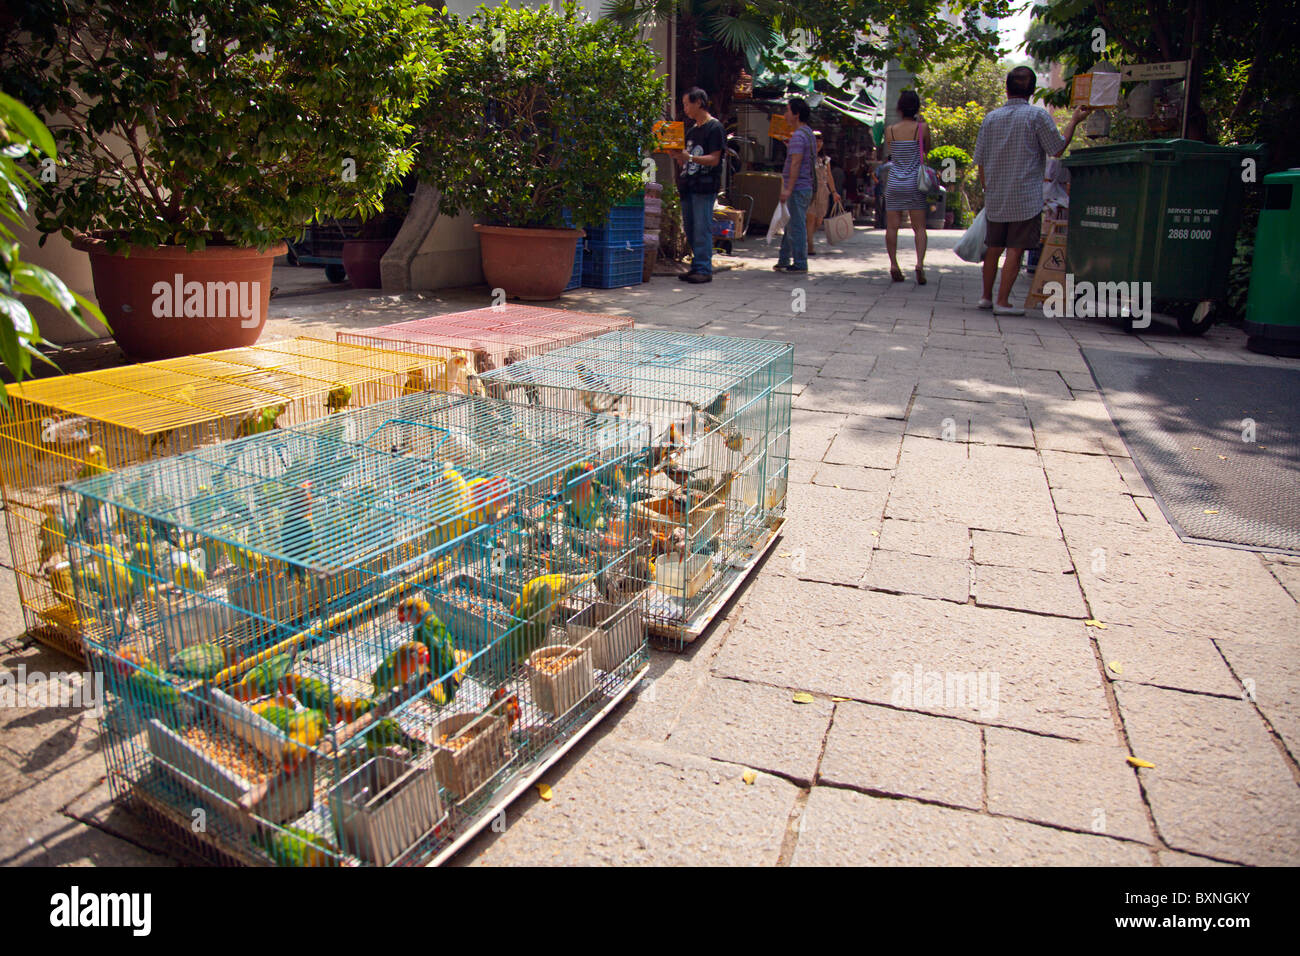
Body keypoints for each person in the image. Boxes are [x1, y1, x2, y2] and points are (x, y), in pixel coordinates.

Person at [973, 66, 1091, 314]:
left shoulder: (990, 118)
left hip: (996, 196)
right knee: (1015, 249)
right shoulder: (1037, 117)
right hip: (1025, 197)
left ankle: (985, 297)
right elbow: (1057, 148)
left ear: (1006, 88)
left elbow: (980, 160)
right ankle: (1003, 302)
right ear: (1032, 90)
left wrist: (987, 188)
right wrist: (1074, 121)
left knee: (994, 248)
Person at [670, 87, 724, 284]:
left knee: (702, 227)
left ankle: (703, 268)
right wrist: (679, 157)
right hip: (689, 184)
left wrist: (690, 157)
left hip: (704, 185)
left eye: (687, 103)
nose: (685, 108)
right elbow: (686, 160)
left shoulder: (714, 128)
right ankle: (696, 266)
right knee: (691, 228)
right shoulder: (692, 130)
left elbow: (714, 159)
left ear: (699, 102)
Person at [882, 90, 931, 285]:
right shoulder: (922, 128)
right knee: (919, 227)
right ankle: (919, 264)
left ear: (899, 108)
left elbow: (891, 153)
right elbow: (927, 150)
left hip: (894, 182)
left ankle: (894, 265)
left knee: (892, 226)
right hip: (914, 183)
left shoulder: (890, 130)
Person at [774, 96, 815, 273]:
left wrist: (788, 188)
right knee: (790, 222)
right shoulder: (808, 133)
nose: (785, 115)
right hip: (805, 186)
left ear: (796, 114)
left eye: (787, 111)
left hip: (797, 188)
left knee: (796, 225)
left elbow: (796, 163)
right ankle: (784, 259)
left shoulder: (798, 136)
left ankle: (800, 262)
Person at [806, 132, 843, 256]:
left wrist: (834, 192)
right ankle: (810, 246)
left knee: (818, 220)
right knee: (810, 218)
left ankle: (808, 238)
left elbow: (829, 177)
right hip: (810, 190)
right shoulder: (806, 157)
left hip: (823, 192)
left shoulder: (825, 160)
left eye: (820, 141)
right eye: (815, 141)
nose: (818, 144)